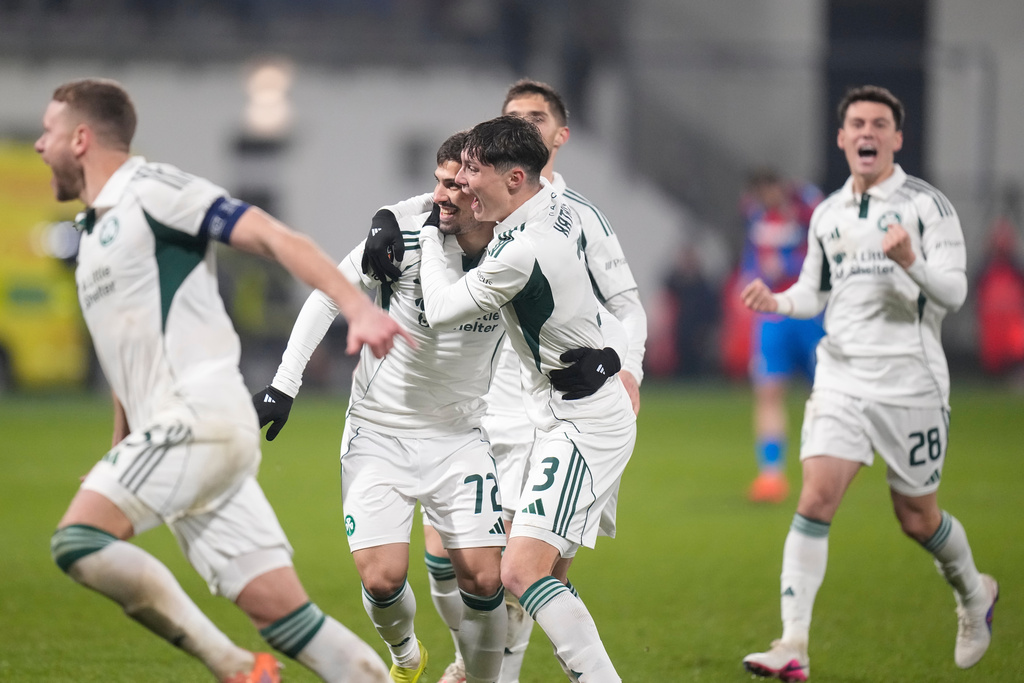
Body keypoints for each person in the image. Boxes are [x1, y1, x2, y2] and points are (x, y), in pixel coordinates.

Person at [38, 78, 412, 683]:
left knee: (77, 541)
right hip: (180, 433)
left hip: (199, 416)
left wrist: (357, 306)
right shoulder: (94, 233)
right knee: (290, 619)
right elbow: (126, 355)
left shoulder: (152, 189)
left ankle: (235, 666)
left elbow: (271, 234)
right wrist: (120, 446)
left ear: (80, 139)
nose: (37, 145)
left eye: (46, 133)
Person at [362, 79, 647, 683]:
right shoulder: (533, 216)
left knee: (526, 572)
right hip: (540, 408)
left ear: (514, 177)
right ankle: (486, 667)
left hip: (584, 421)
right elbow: (443, 196)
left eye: (472, 178)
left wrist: (620, 359)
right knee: (507, 567)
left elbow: (439, 307)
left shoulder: (526, 243)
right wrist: (392, 214)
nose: (461, 189)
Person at [740, 85, 998, 681]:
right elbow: (813, 289)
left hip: (911, 383)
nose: (868, 133)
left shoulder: (927, 206)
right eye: (858, 123)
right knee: (814, 499)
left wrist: (910, 260)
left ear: (896, 138)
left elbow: (956, 293)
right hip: (841, 378)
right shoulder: (828, 213)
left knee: (917, 516)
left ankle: (972, 594)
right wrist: (777, 302)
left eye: (880, 124)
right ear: (841, 137)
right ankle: (793, 643)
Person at [252, 131, 514, 683]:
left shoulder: (516, 252)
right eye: (437, 183)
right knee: (381, 580)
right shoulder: (402, 244)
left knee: (486, 582)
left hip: (460, 435)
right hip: (378, 433)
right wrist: (283, 386)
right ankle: (405, 659)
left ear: (481, 191)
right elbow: (327, 295)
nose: (440, 196)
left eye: (455, 185)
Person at [738, 168, 824, 503]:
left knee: (825, 394)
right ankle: (771, 476)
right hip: (772, 316)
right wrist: (752, 278)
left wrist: (788, 267)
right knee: (769, 391)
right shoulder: (756, 215)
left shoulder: (807, 206)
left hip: (809, 312)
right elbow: (750, 258)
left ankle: (826, 467)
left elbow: (824, 252)